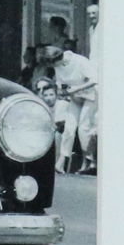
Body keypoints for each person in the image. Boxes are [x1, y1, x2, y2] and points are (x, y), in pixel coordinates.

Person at [42, 44, 98, 174]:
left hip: (91, 96)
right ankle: (61, 162)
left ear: (56, 59)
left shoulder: (79, 61)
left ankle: (88, 162)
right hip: (75, 97)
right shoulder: (59, 66)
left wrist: (76, 89)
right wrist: (63, 90)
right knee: (69, 128)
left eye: (52, 64)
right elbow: (61, 82)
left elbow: (95, 79)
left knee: (84, 128)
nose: (53, 68)